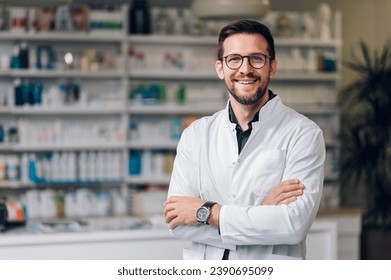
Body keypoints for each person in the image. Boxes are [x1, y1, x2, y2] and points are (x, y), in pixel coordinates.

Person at [163, 19, 325, 260]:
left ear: (272, 67)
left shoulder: (303, 134)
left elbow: (292, 225)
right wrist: (261, 214)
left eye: (256, 58)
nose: (245, 69)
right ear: (220, 68)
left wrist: (207, 212)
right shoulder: (196, 134)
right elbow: (178, 222)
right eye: (234, 59)